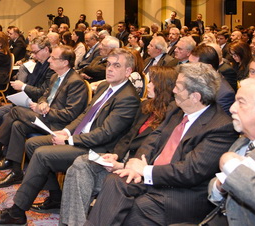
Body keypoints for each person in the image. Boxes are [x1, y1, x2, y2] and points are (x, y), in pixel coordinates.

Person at [0, 49, 140, 225]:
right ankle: (56, 197)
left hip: (97, 149)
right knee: (32, 144)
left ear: (128, 71)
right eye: (109, 64)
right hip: (80, 137)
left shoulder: (128, 98)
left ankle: (16, 212)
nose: (109, 69)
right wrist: (66, 131)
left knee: (42, 154)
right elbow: (84, 116)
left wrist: (68, 140)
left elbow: (105, 134)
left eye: (116, 66)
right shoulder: (105, 86)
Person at [86, 62, 238, 225]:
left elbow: (190, 171)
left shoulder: (221, 127)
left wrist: (146, 171)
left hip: (180, 192)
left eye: (178, 87)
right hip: (152, 177)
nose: (173, 90)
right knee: (114, 181)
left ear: (195, 96)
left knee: (137, 209)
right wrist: (137, 166)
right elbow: (153, 139)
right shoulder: (176, 109)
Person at [60, 66, 177, 225]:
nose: (148, 85)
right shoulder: (147, 107)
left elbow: (155, 155)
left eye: (152, 82)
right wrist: (116, 155)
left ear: (163, 87)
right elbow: (128, 136)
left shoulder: (172, 117)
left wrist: (122, 164)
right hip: (122, 159)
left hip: (137, 172)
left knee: (80, 171)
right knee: (81, 164)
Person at [0, 46, 88, 188]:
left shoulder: (76, 82)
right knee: (17, 125)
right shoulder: (55, 76)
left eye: (53, 58)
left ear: (64, 62)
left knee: (16, 111)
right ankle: (16, 170)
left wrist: (46, 111)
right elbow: (45, 95)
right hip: (45, 117)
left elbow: (71, 115)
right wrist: (43, 103)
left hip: (58, 126)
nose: (49, 60)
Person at [207, 78, 255, 226]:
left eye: (241, 103)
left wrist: (233, 169)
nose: (232, 108)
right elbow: (217, 189)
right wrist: (219, 186)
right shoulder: (242, 142)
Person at [0, 36, 55, 126]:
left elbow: (43, 92)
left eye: (35, 52)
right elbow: (32, 84)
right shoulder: (39, 63)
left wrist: (23, 86)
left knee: (6, 116)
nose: (33, 55)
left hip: (38, 105)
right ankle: (10, 135)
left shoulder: (52, 68)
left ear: (46, 49)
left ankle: (11, 134)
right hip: (29, 100)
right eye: (32, 52)